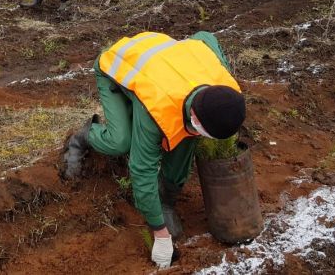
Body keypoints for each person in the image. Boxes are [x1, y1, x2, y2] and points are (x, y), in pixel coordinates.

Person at [62, 31, 245, 269]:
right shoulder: (158, 107)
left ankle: (166, 199)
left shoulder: (224, 83)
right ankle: (84, 136)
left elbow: (205, 37)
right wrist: (159, 231)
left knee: (185, 138)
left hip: (162, 63)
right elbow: (141, 170)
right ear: (193, 114)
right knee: (120, 142)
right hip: (119, 65)